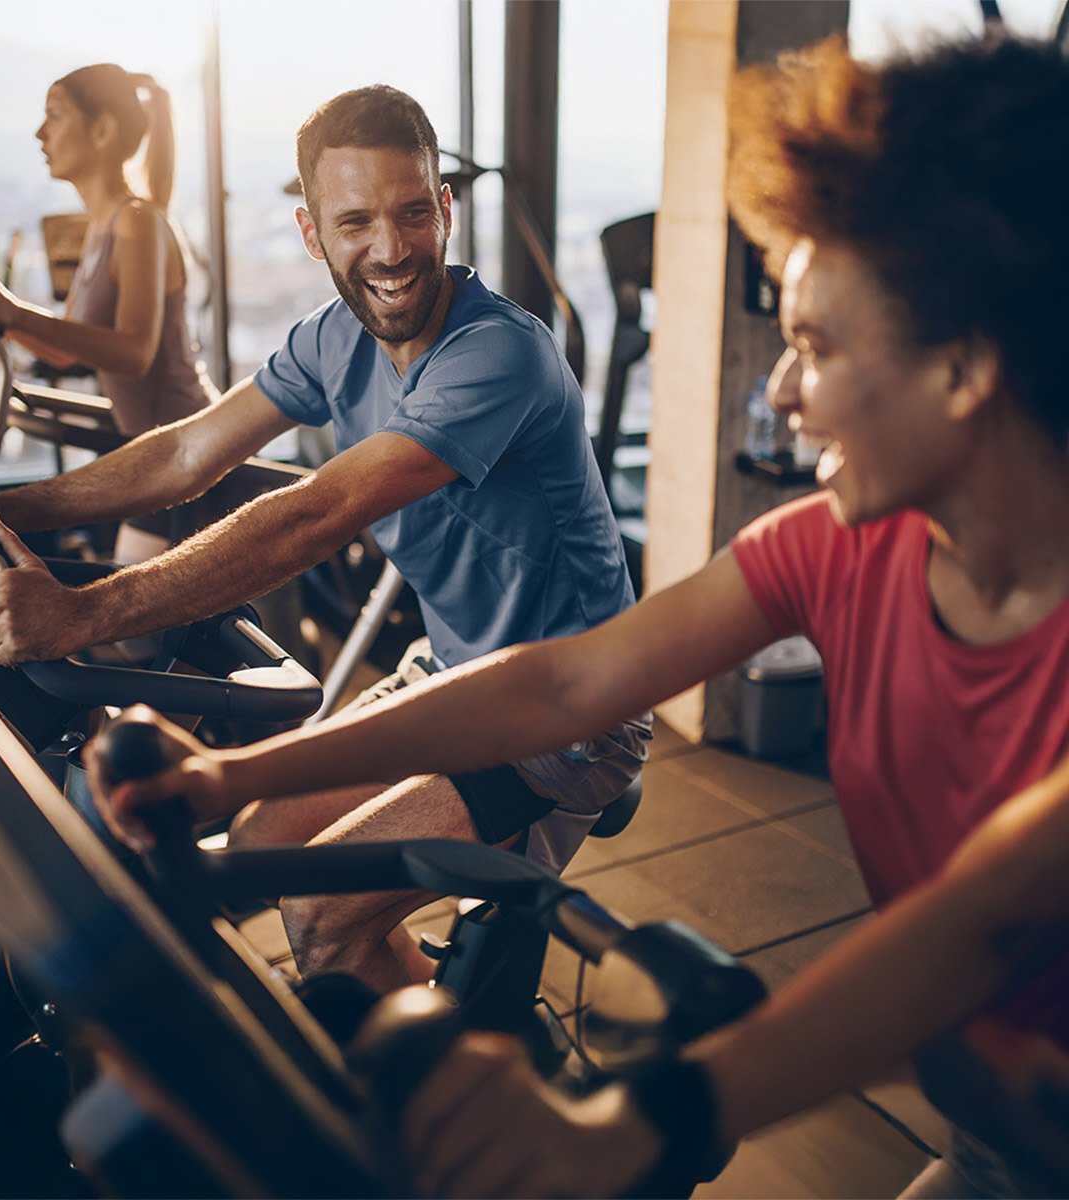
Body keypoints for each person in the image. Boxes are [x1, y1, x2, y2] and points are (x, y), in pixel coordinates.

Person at [90, 33, 1069, 1198]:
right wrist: (226, 781)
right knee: (283, 879)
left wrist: (629, 1125)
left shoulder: (503, 352)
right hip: (989, 1145)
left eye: (813, 344)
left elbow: (982, 921)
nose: (778, 388)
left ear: (962, 370)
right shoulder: (829, 552)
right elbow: (558, 681)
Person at [0, 85, 652, 993]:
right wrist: (2, 513)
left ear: (445, 211)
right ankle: (455, 1029)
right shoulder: (330, 340)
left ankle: (443, 1105)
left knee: (321, 910)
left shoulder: (501, 353)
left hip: (570, 716)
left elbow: (316, 514)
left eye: (413, 213)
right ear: (312, 234)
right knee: (263, 840)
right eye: (356, 223)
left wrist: (80, 614)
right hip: (455, 675)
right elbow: (186, 453)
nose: (390, 250)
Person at [0, 63, 214, 561]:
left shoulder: (139, 222)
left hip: (183, 448)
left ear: (102, 130)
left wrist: (12, 309)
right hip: (150, 450)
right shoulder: (100, 228)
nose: (40, 132)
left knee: (132, 631)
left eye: (54, 116)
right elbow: (71, 353)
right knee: (134, 630)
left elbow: (135, 352)